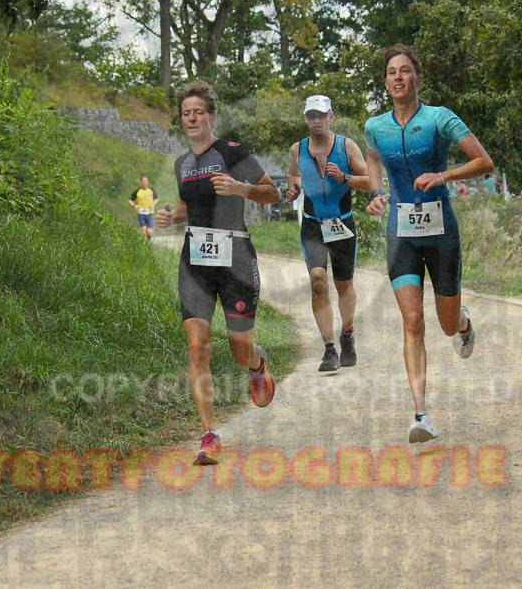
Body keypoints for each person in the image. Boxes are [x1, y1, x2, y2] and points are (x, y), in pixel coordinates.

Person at [364, 45, 494, 444]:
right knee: (413, 321)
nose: (398, 77)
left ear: (418, 78)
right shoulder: (375, 126)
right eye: (391, 72)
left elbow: (484, 162)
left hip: (441, 229)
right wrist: (375, 191)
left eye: (406, 71)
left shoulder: (440, 118)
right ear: (385, 82)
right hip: (400, 229)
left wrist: (443, 175)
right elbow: (373, 163)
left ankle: (463, 321)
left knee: (445, 324)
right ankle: (421, 414)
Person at [155, 80, 281, 466]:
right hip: (195, 260)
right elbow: (188, 208)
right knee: (197, 345)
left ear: (211, 116)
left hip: (235, 258)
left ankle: (256, 364)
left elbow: (272, 193)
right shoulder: (182, 163)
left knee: (238, 347)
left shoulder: (232, 152)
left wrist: (240, 187)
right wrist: (171, 216)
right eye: (185, 114)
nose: (192, 119)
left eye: (198, 112)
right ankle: (209, 435)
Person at [285, 95, 371, 372]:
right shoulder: (296, 149)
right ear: (305, 118)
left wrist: (344, 177)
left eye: (321, 115)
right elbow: (292, 174)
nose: (316, 120)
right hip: (312, 224)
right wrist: (294, 187)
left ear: (331, 116)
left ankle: (347, 334)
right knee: (318, 281)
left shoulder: (347, 146)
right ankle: (329, 349)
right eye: (311, 115)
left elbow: (370, 182)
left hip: (342, 223)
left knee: (344, 286)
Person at [128, 175, 159, 240]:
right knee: (144, 231)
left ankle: (148, 242)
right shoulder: (137, 191)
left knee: (149, 232)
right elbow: (130, 200)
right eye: (143, 182)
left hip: (150, 213)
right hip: (141, 213)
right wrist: (134, 206)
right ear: (140, 182)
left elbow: (156, 199)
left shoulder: (151, 190)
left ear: (148, 182)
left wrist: (153, 204)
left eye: (146, 182)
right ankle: (146, 246)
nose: (145, 184)